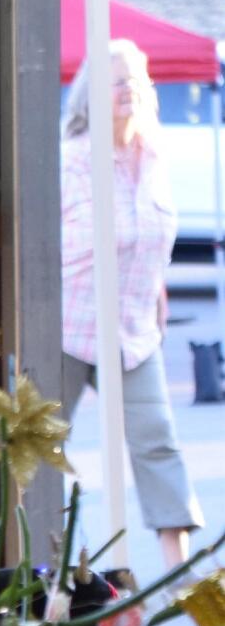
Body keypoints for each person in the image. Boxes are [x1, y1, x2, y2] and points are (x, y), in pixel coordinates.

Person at [60, 38, 203, 571]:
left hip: (134, 328)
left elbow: (153, 235)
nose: (129, 88)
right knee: (39, 447)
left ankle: (181, 577)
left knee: (158, 443)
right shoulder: (72, 160)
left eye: (137, 78)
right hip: (71, 326)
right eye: (116, 79)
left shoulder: (154, 156)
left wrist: (159, 291)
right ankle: (52, 573)